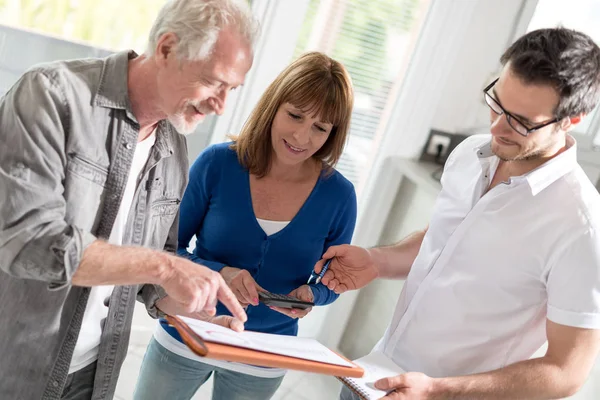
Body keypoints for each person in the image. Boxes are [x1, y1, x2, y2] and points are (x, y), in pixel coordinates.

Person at [314, 27, 600, 400]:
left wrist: (437, 391)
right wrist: (377, 260)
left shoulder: (581, 227)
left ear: (571, 119)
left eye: (522, 121)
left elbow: (565, 372)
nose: (496, 127)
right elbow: (447, 240)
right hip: (377, 375)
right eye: (496, 102)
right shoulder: (470, 154)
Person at [0, 1, 259, 399]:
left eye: (232, 90)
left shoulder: (174, 146)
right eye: (213, 82)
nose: (220, 105)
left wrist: (193, 314)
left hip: (90, 375)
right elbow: (27, 240)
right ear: (168, 48)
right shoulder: (52, 95)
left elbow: (148, 280)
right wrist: (165, 268)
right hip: (14, 367)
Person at [133, 51, 357, 400]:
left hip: (265, 354)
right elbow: (167, 251)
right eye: (295, 116)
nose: (301, 136)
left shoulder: (340, 196)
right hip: (188, 330)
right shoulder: (217, 164)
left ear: (333, 133)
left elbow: (333, 279)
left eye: (320, 128)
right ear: (274, 106)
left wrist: (312, 295)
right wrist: (219, 273)